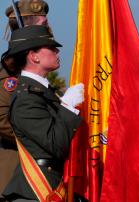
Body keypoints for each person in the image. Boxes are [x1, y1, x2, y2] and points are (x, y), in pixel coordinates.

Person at [1, 25, 84, 201]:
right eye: (51, 48)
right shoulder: (26, 99)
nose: (57, 52)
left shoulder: (40, 92)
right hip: (35, 190)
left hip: (51, 184)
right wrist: (68, 106)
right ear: (34, 56)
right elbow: (56, 143)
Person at [0, 0, 50, 200]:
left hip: (44, 182)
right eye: (43, 25)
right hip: (17, 179)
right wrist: (45, 140)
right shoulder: (9, 77)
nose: (48, 31)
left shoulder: (41, 73)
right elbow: (2, 120)